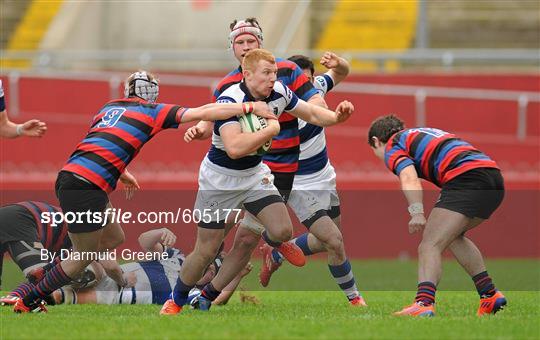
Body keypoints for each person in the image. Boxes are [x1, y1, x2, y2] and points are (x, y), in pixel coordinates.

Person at [13, 70, 275, 313]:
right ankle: (29, 299)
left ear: (128, 90)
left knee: (114, 236)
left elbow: (101, 141)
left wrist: (122, 172)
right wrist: (248, 107)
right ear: (154, 93)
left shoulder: (109, 107)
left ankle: (46, 272)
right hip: (87, 186)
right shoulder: (153, 111)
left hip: (73, 176)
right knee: (84, 257)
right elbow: (203, 111)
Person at [160, 49, 354, 315]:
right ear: (247, 74)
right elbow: (235, 148)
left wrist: (336, 118)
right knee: (205, 250)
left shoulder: (279, 93)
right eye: (266, 73)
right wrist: (271, 130)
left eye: (274, 73)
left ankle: (207, 296)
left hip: (254, 176)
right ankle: (176, 300)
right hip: (220, 179)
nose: (272, 79)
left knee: (282, 230)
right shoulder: (232, 99)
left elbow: (310, 113)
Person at [368, 114, 506, 317]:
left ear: (376, 141)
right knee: (452, 237)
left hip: (466, 177)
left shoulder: (393, 145)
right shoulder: (420, 133)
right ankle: (490, 295)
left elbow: (408, 176)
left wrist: (416, 212)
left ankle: (423, 304)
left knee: (429, 244)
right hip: (493, 178)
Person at [258, 53, 366, 306]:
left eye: (307, 81)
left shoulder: (314, 88)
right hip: (298, 182)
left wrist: (341, 64)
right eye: (298, 82)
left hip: (324, 176)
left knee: (328, 240)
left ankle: (276, 255)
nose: (303, 87)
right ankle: (355, 299)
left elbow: (341, 73)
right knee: (335, 241)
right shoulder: (276, 102)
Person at [45, 228, 251, 306]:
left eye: (209, 272)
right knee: (96, 267)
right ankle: (46, 278)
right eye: (202, 264)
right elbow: (144, 241)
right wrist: (160, 232)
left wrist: (236, 275)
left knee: (82, 296)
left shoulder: (191, 293)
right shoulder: (174, 256)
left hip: (120, 295)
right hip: (113, 274)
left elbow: (217, 301)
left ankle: (49, 294)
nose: (201, 271)